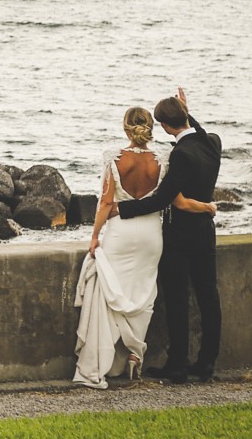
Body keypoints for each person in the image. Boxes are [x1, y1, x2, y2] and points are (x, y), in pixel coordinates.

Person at [73, 105, 216, 389]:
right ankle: (134, 357)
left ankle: (105, 361)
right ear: (151, 128)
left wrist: (94, 237)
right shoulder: (164, 159)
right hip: (152, 237)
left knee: (111, 294)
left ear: (126, 128)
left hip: (121, 234)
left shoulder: (114, 159)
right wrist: (208, 206)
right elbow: (177, 202)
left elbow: (104, 203)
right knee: (143, 294)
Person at [111, 88, 223, 383]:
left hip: (181, 235)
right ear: (185, 116)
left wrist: (121, 209)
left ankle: (177, 365)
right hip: (205, 233)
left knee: (177, 299)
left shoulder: (180, 155)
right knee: (208, 296)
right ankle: (207, 362)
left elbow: (162, 199)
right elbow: (199, 130)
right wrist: (188, 111)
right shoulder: (212, 143)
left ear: (163, 126)